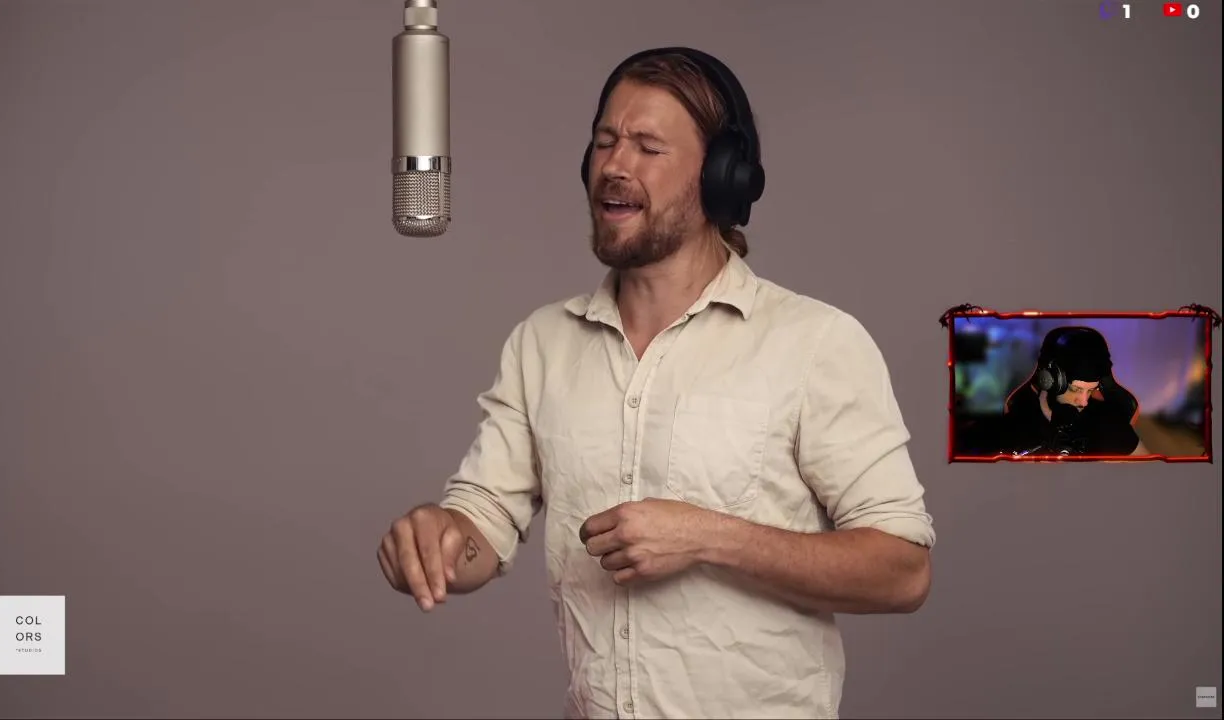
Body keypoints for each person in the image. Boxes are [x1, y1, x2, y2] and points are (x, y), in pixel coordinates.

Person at [377, 46, 935, 719]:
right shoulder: (541, 343)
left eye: (648, 147)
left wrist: (710, 537)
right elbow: (483, 528)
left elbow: (903, 571)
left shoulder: (816, 343)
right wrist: (438, 539)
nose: (615, 165)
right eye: (605, 141)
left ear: (721, 178)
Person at [999, 325, 1150, 457]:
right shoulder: (1018, 420)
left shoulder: (1109, 422)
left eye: (1091, 390)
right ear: (1050, 380)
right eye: (1075, 389)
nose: (1084, 402)